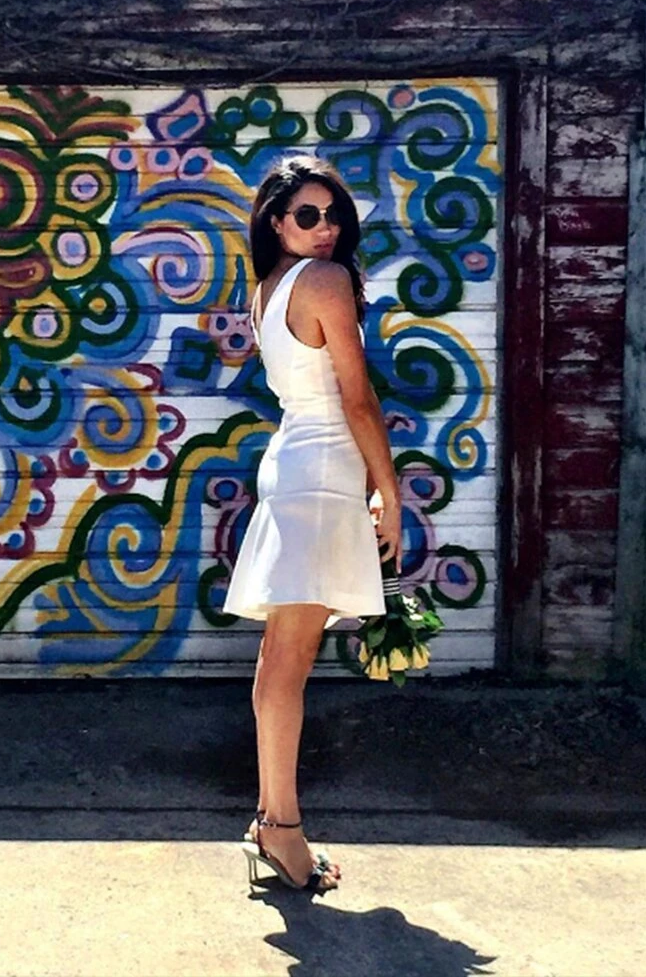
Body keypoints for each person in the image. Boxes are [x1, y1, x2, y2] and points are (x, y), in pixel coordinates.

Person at [223, 155, 402, 892]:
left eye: (334, 216)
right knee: (288, 662)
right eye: (307, 215)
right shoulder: (324, 281)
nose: (325, 227)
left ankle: (273, 821)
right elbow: (357, 399)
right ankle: (282, 829)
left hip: (298, 467)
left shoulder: (269, 288)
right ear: (276, 222)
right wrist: (389, 491)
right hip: (320, 476)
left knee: (279, 659)